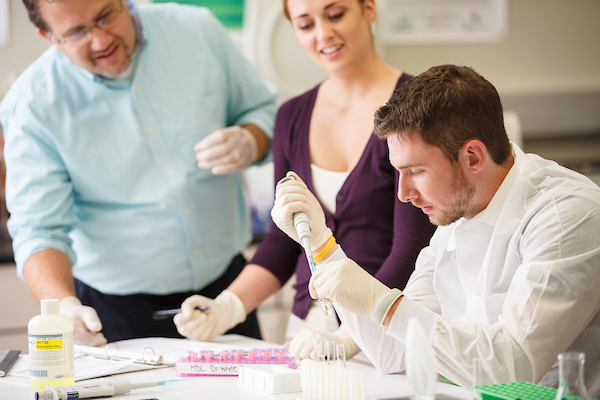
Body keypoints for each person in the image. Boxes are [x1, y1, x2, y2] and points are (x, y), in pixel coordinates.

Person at [271, 65, 600, 396]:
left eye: (416, 171)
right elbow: (393, 353)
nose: (403, 193)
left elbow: (512, 369)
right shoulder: (455, 213)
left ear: (473, 157)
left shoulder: (565, 216)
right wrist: (322, 246)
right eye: (398, 171)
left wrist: (384, 303)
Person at [0, 0, 278, 345]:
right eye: (76, 32)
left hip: (230, 293)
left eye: (106, 16)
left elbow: (263, 108)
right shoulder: (32, 104)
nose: (101, 41)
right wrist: (62, 308)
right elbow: (38, 229)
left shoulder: (197, 30)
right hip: (115, 312)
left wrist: (253, 138)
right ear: (48, 36)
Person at [173, 0, 435, 360]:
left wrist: (348, 337)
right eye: (305, 24)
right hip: (307, 332)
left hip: (386, 331)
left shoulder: (417, 109)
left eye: (335, 14)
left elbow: (411, 250)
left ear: (369, 9)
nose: (323, 34)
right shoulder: (292, 116)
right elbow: (284, 241)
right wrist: (226, 308)